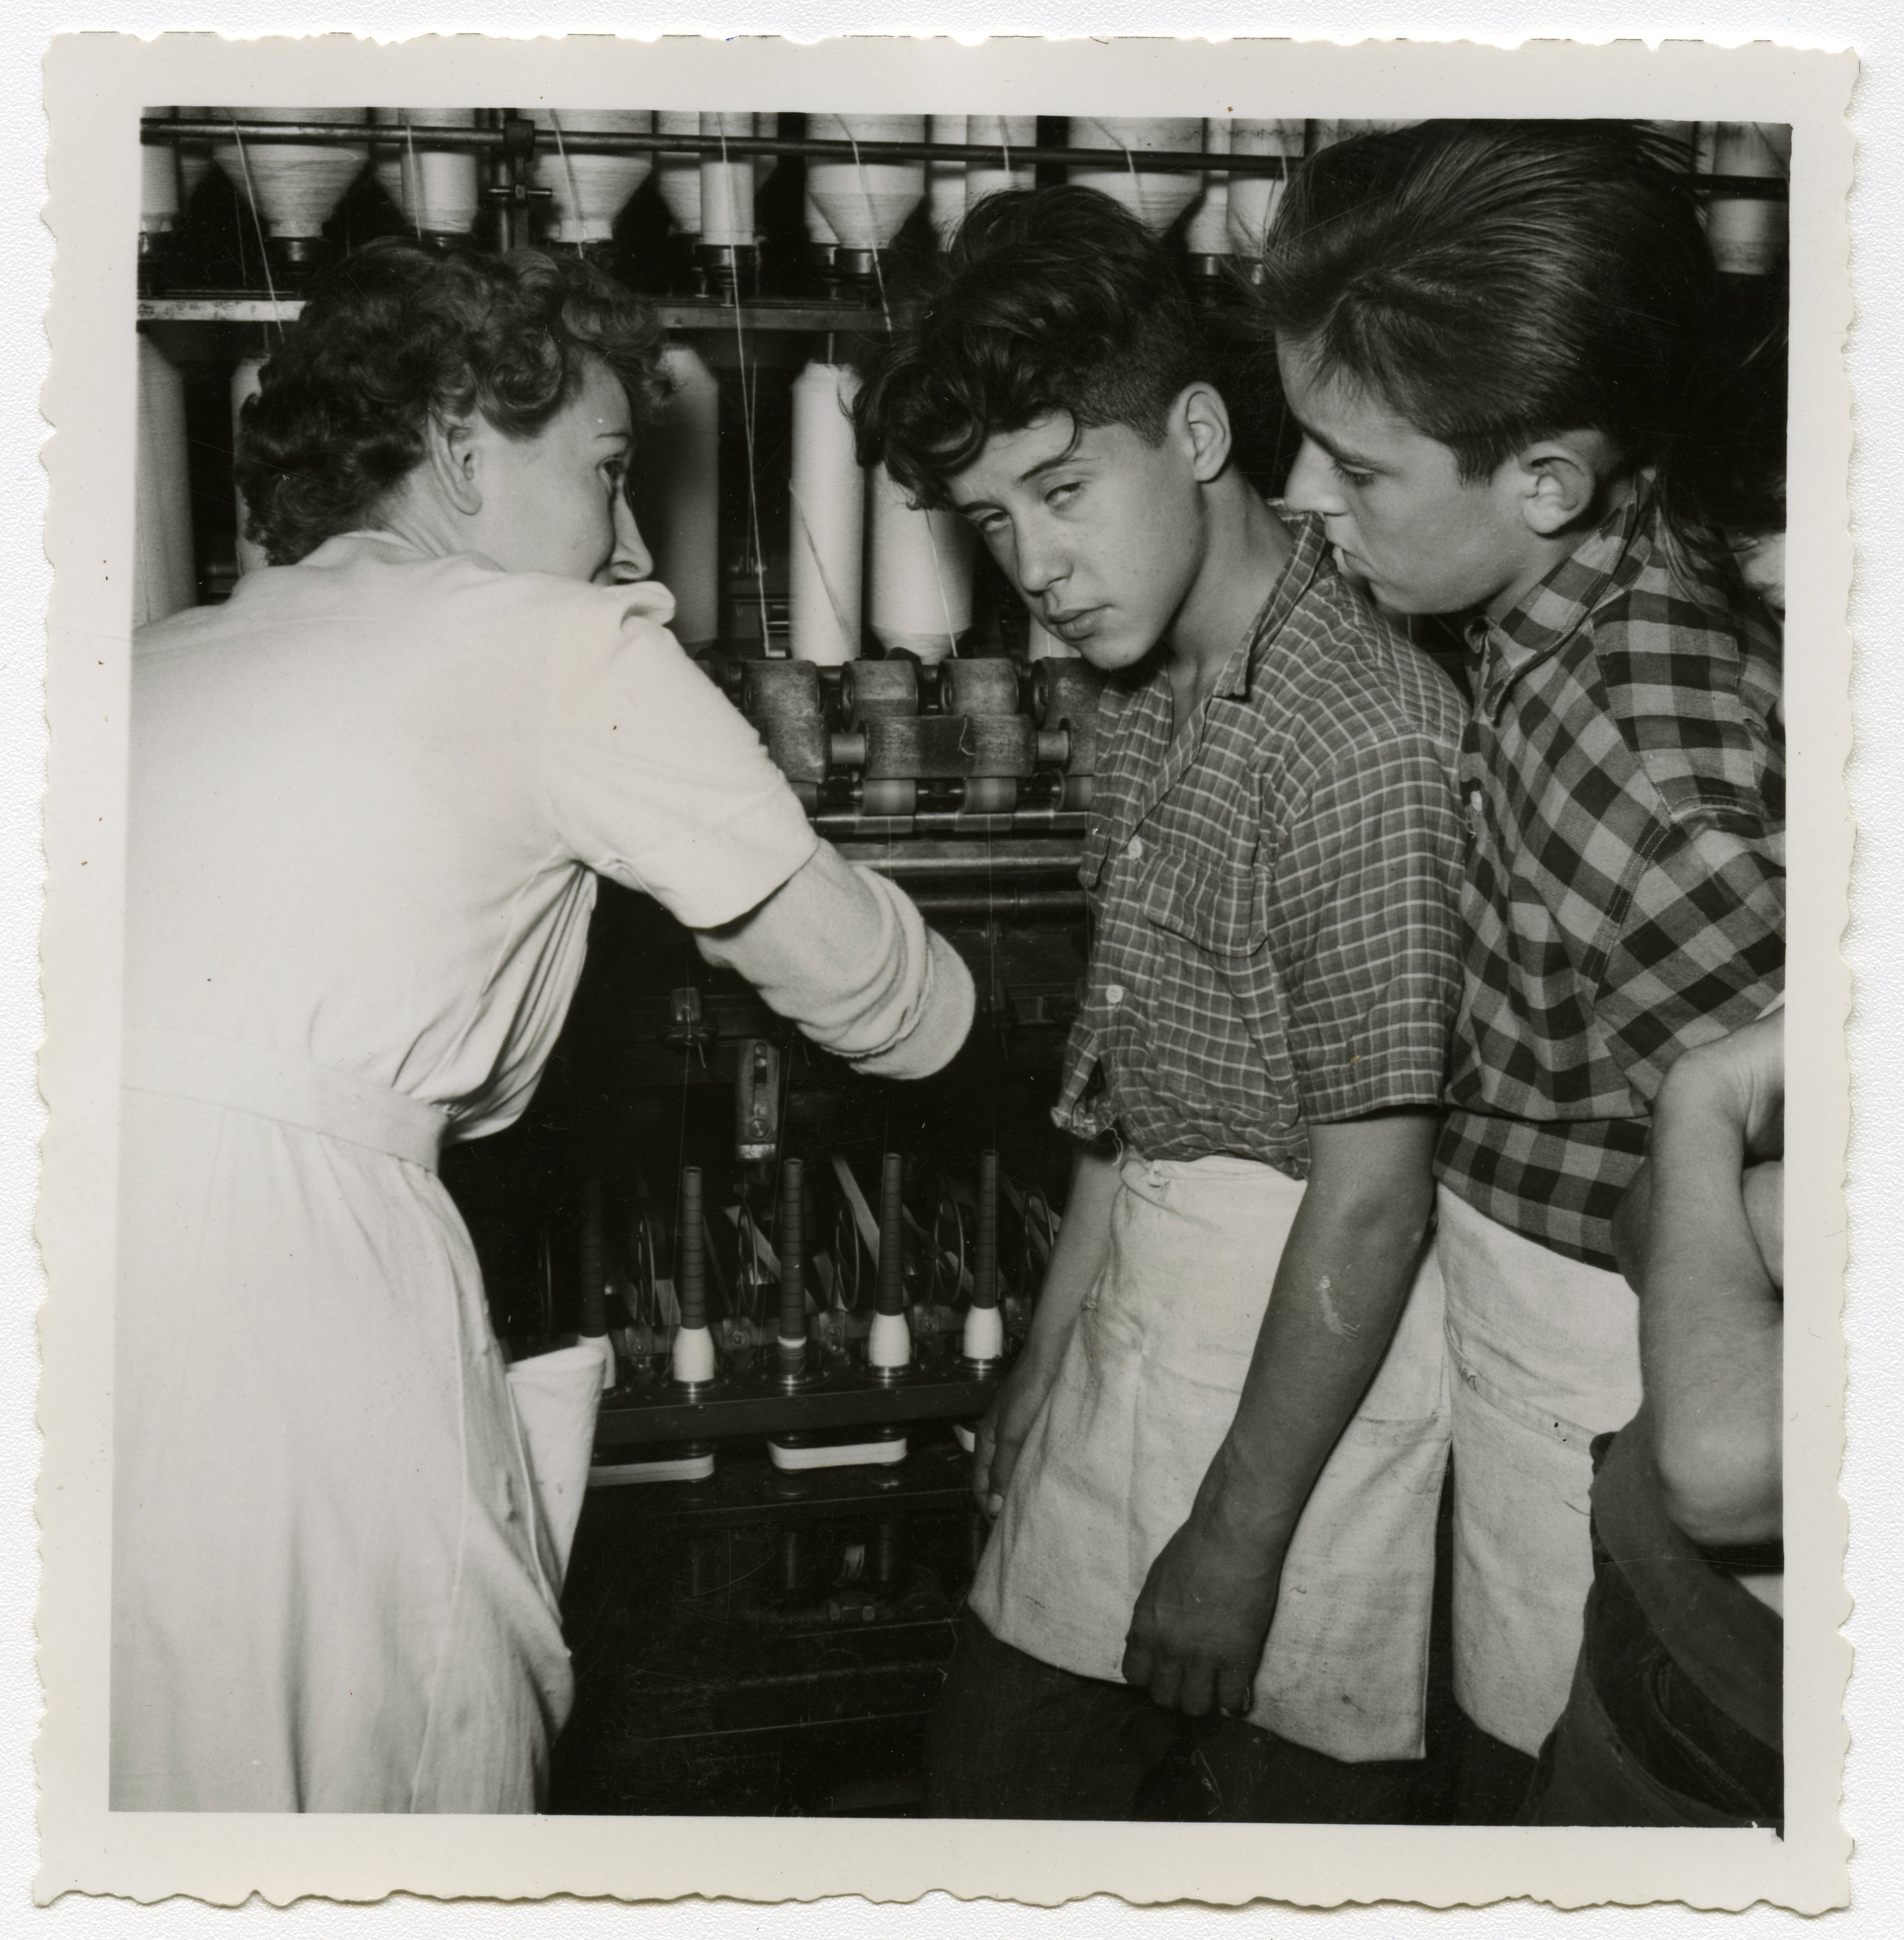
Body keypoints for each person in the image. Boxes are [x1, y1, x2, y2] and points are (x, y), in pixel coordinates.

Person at [112, 240, 974, 1812]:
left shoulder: (143, 662)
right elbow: (881, 999)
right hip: (282, 1291)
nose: (632, 538)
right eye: (604, 472)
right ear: (456, 452)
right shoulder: (562, 644)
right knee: (387, 1749)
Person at [853, 185, 1469, 1821]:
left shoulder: (1361, 735)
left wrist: (1233, 1540)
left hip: (1306, 1377)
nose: (1035, 567)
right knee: (989, 1794)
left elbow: (1373, 1194)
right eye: (993, 520)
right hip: (1141, 1316)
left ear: (1196, 432)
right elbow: (1118, 1101)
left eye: (1062, 490)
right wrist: (1044, 1369)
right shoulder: (1130, 694)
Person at [1261, 120, 1785, 1810]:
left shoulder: (1634, 767)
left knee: (1539, 1773)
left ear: (1543, 481)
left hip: (1600, 1373)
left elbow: (1797, 1204)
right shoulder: (1556, 596)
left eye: (1355, 469)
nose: (1300, 498)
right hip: (1527, 1334)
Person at [1525, 1009, 1783, 1826]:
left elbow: (1719, 1461)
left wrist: (1704, 1099)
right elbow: (1639, 1233)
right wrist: (1776, 1211)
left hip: (1774, 1731)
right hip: (1655, 1623)